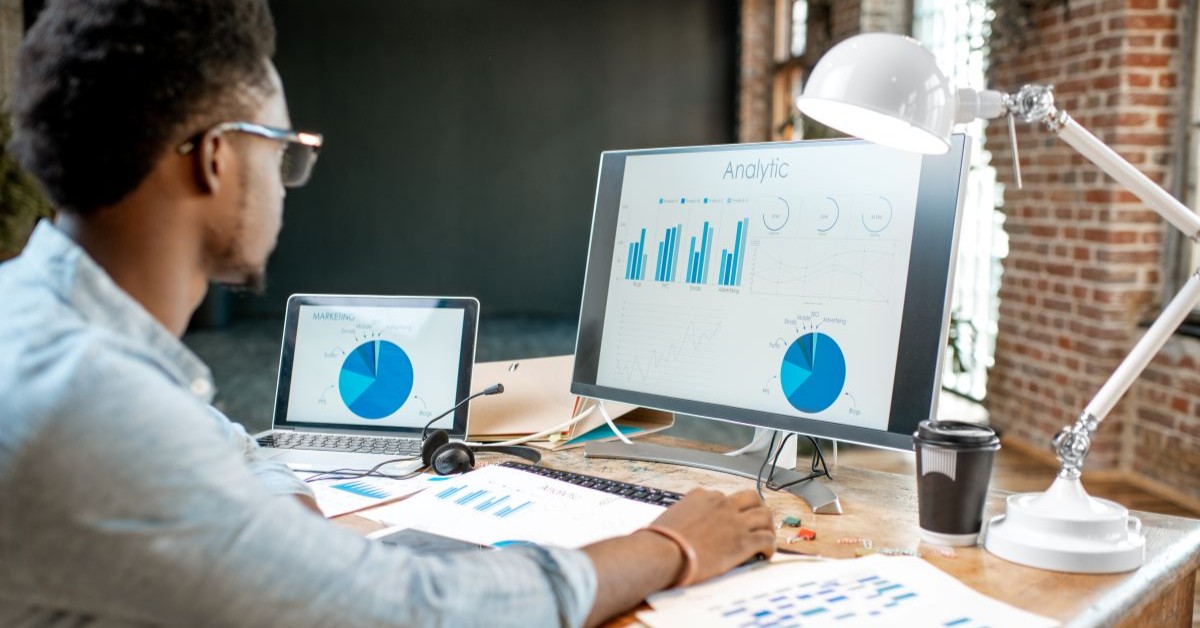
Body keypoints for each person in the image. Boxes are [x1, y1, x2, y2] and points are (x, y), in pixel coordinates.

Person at [0, 1, 776, 626]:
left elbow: (233, 448)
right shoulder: (94, 401)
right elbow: (412, 612)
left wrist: (291, 538)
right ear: (217, 157)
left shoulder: (45, 322)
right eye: (283, 149)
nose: (285, 180)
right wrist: (672, 544)